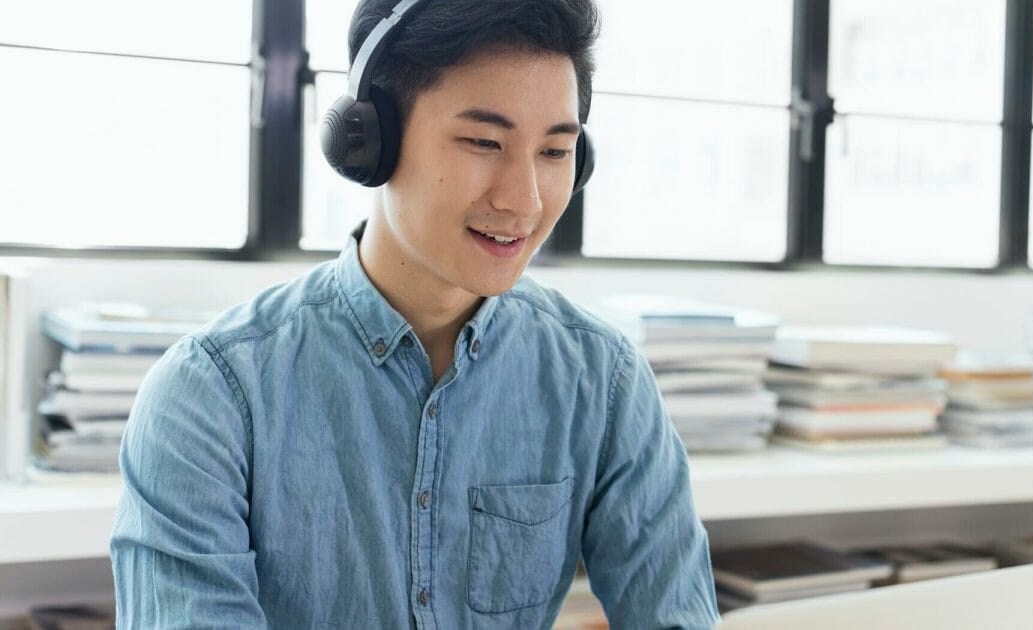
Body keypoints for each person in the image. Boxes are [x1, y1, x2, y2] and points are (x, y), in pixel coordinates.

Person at [109, 0, 720, 627]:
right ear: (368, 141)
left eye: (555, 152)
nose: (524, 200)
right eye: (484, 141)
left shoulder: (603, 379)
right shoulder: (211, 393)